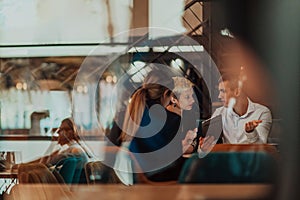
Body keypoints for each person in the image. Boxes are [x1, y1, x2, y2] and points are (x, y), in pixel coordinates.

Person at [114, 68, 197, 184]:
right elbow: (174, 162)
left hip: (128, 186)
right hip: (161, 186)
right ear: (166, 94)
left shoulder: (122, 117)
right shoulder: (173, 120)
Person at [207, 73, 272, 145]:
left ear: (237, 92)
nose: (219, 96)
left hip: (250, 156)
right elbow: (207, 144)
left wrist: (251, 133)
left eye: (223, 91)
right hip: (227, 155)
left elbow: (261, 147)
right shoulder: (219, 113)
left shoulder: (262, 112)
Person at [166, 76, 198, 154]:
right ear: (173, 99)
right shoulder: (164, 118)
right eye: (187, 97)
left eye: (192, 96)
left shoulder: (191, 114)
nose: (193, 100)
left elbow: (195, 142)